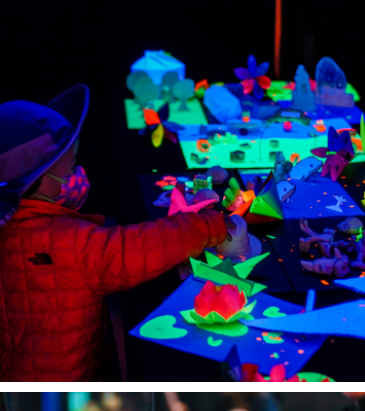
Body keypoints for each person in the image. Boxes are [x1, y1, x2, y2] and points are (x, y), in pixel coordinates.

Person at [0, 85, 234, 380]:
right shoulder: (66, 241)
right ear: (35, 182)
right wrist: (207, 225)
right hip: (70, 376)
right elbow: (130, 250)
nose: (77, 176)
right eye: (69, 171)